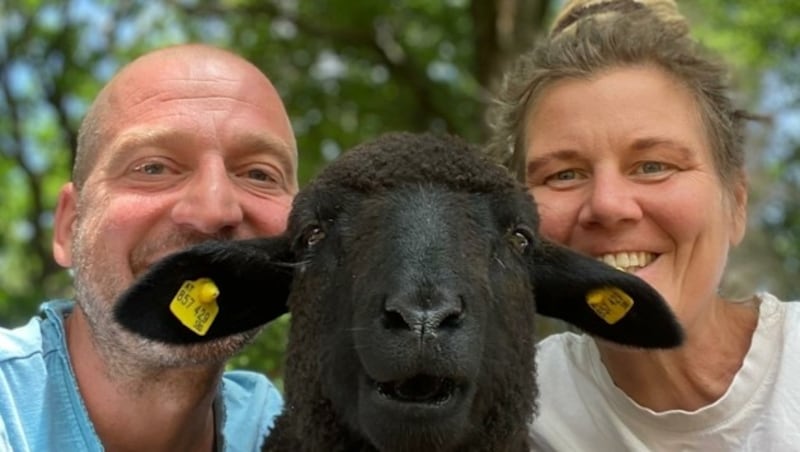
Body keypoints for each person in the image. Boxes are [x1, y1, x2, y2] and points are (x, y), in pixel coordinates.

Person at [487, 0, 800, 450]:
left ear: (735, 202)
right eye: (564, 175)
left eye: (653, 166)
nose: (608, 206)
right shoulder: (510, 415)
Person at [0, 43, 298, 451]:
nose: (214, 210)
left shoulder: (281, 430)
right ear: (70, 227)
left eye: (260, 175)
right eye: (153, 168)